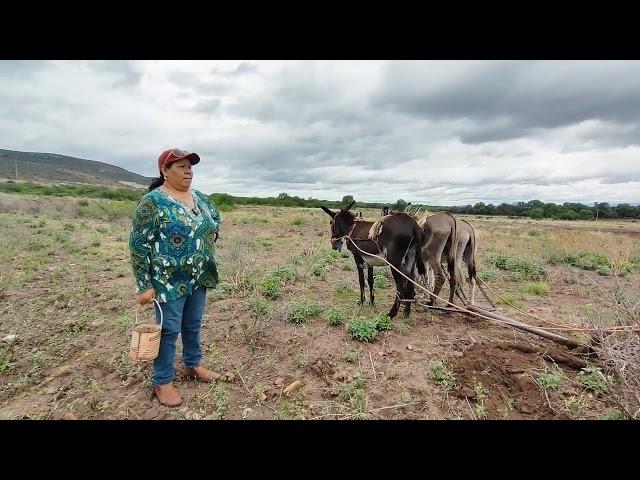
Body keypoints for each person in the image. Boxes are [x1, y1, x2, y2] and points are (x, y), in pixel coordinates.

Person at [129, 148, 221, 407]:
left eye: (189, 166)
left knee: (193, 324)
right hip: (167, 280)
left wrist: (206, 241)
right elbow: (138, 245)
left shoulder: (201, 198)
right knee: (169, 330)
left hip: (199, 276)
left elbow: (215, 219)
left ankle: (193, 365)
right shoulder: (153, 202)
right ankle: (163, 381)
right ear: (164, 171)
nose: (188, 170)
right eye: (180, 166)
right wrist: (144, 285)